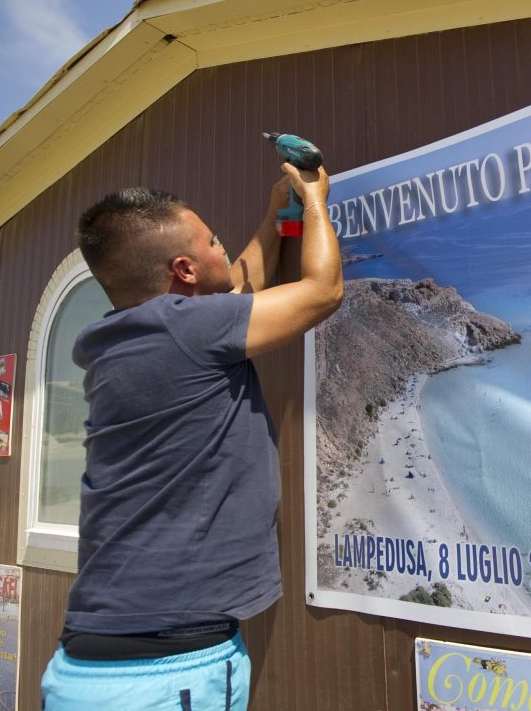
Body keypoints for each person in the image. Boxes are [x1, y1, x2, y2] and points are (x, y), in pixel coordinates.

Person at [40, 163, 342, 710]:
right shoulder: (187, 328)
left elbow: (240, 285)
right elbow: (320, 292)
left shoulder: (125, 338)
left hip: (88, 665)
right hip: (166, 672)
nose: (225, 248)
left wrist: (279, 216)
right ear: (183, 269)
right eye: (213, 242)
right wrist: (315, 200)